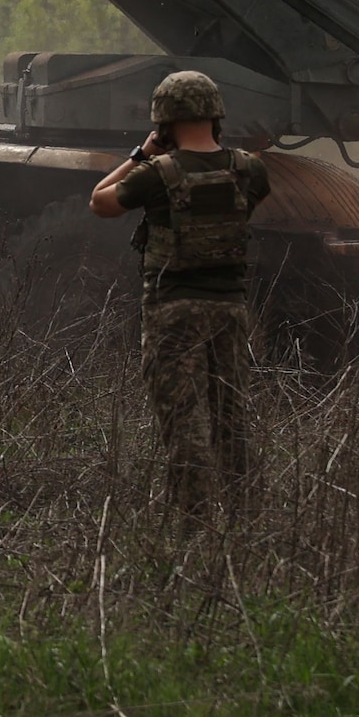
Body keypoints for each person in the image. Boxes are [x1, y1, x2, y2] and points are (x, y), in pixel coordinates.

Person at [88, 70, 270, 519]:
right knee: (232, 418)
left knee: (183, 419)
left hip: (173, 309)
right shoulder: (249, 169)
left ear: (163, 122)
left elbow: (100, 201)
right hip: (230, 307)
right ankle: (244, 521)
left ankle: (193, 526)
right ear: (215, 115)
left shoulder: (157, 173)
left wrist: (141, 154)